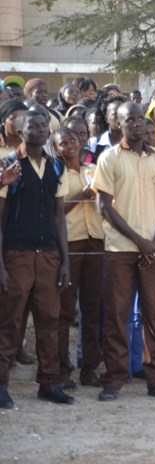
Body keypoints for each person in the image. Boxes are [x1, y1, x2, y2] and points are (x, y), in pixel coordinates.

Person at [91, 101, 155, 401]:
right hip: (120, 249)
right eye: (129, 119)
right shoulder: (109, 158)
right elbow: (104, 206)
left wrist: (154, 241)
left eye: (140, 118)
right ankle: (114, 379)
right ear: (118, 123)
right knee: (117, 315)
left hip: (154, 250)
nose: (137, 123)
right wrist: (138, 240)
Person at [0, 110, 72, 409]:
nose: (41, 129)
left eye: (44, 125)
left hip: (49, 256)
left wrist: (65, 261)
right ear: (19, 130)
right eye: (33, 125)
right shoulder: (8, 165)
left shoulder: (56, 165)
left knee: (50, 321)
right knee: (10, 322)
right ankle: (2, 384)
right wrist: (1, 265)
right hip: (16, 255)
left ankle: (49, 383)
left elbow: (59, 217)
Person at [51, 128, 105, 389]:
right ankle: (62, 369)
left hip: (95, 241)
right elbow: (54, 209)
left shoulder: (94, 169)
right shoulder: (55, 173)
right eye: (63, 143)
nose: (69, 145)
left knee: (92, 309)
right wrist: (82, 195)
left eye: (72, 140)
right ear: (56, 148)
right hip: (69, 244)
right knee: (64, 310)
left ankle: (89, 367)